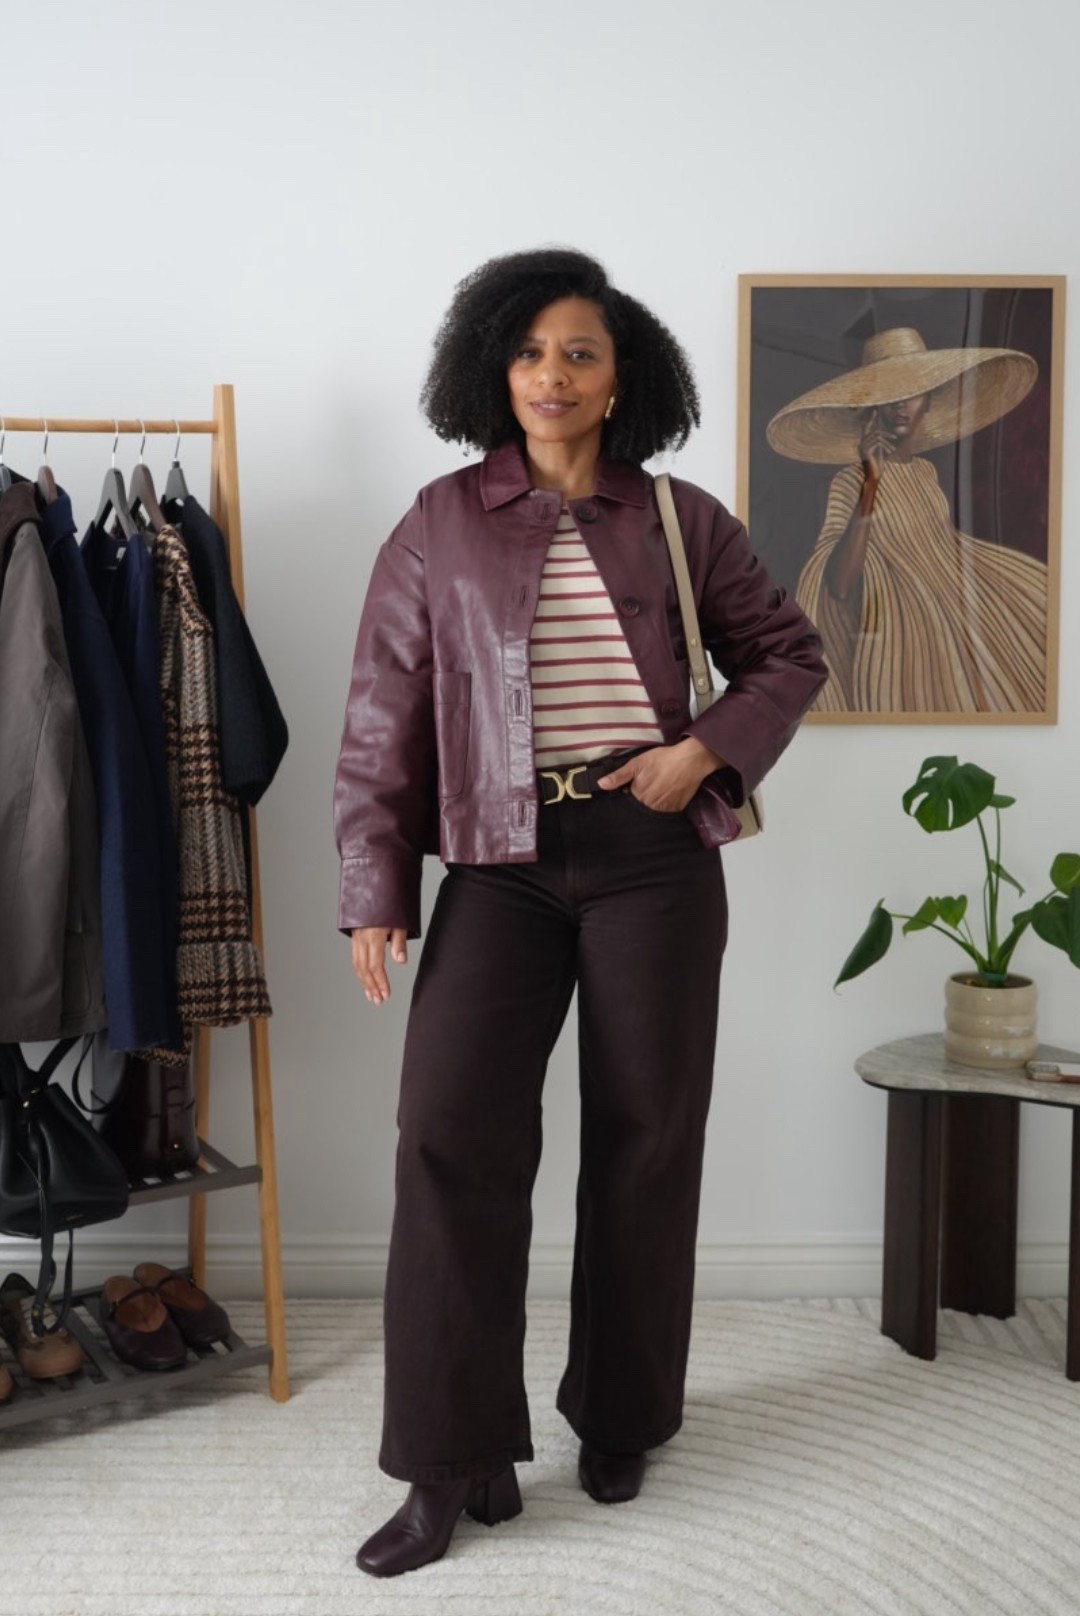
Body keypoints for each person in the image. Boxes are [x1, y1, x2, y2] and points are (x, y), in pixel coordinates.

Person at [333, 246, 828, 1577]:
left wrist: (701, 750)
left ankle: (622, 1416)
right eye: (532, 351)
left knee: (647, 1137)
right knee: (447, 1137)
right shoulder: (436, 521)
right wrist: (375, 889)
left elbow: (787, 652)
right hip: (495, 865)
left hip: (652, 853)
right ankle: (451, 1457)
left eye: (581, 354)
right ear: (493, 367)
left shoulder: (683, 518)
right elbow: (383, 717)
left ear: (623, 383)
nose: (553, 374)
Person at [771, 327, 1049, 714]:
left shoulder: (925, 474)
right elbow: (838, 584)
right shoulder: (850, 480)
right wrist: (871, 482)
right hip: (903, 634)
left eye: (913, 391)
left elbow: (942, 546)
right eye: (889, 395)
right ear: (874, 406)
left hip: (958, 610)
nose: (901, 405)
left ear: (930, 399)